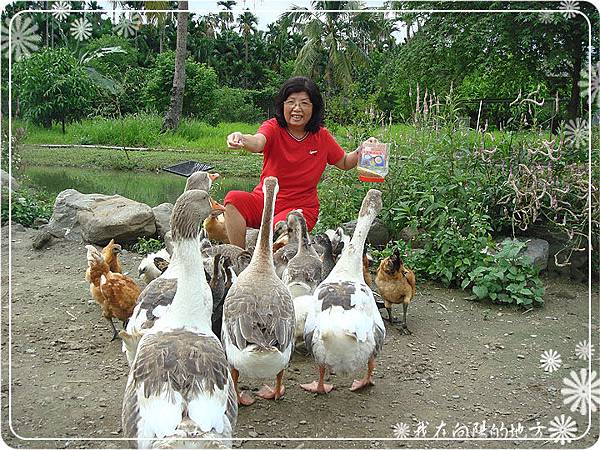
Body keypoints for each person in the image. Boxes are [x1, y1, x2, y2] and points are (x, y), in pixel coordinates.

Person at [224, 76, 360, 249]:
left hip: (301, 208)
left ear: (314, 108)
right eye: (291, 102)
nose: (297, 108)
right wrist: (241, 138)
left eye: (304, 103)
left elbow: (344, 162)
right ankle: (240, 258)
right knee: (233, 199)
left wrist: (362, 150)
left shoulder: (322, 136)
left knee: (281, 225)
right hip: (265, 200)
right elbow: (258, 141)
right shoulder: (273, 127)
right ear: (283, 105)